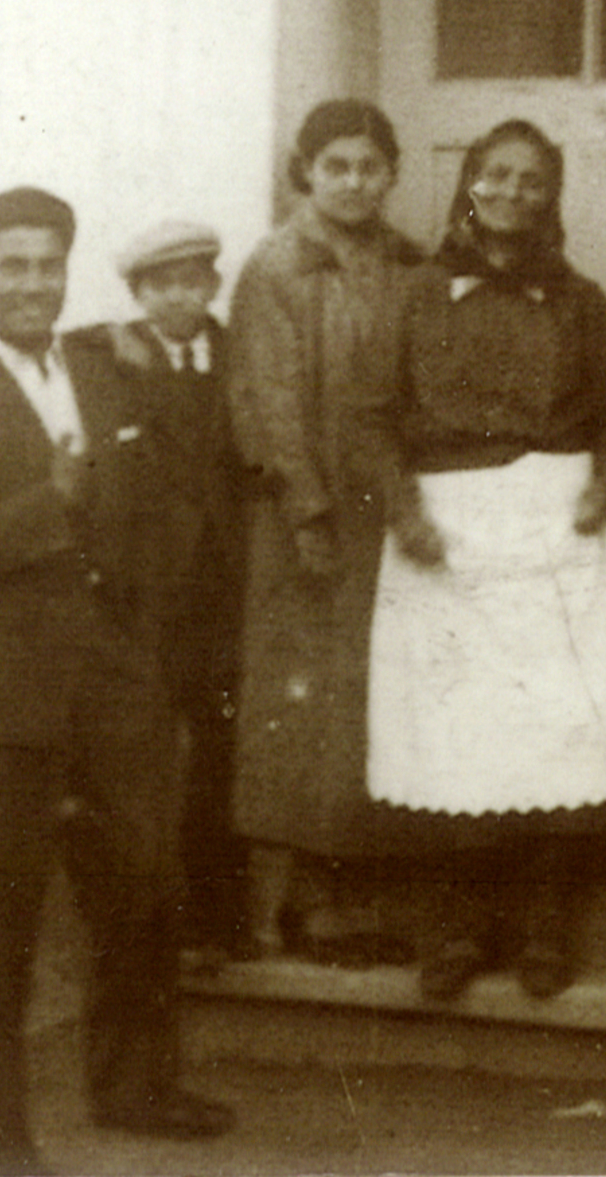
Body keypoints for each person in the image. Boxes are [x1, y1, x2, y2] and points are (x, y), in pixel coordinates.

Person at [0, 186, 232, 1177]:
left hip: (115, 679)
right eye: (14, 265)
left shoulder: (102, 368)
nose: (33, 284)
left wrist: (145, 636)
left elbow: (167, 490)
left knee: (142, 886)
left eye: (49, 265)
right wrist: (54, 501)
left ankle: (135, 1088)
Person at [360, 118, 606, 1001]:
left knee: (556, 724)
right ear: (468, 185)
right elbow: (372, 417)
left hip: (559, 526)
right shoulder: (415, 295)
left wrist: (603, 490)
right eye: (495, 174)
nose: (512, 192)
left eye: (531, 179)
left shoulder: (579, 301)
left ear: (549, 196)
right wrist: (404, 511)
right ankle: (459, 928)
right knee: (458, 726)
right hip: (445, 531)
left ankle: (545, 927)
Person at [226, 99, 422, 958]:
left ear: (391, 174)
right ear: (305, 171)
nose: (352, 182)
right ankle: (282, 907)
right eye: (334, 166)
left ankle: (352, 896)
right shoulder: (276, 267)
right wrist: (305, 509)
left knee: (368, 700)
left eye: (368, 167)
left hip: (386, 514)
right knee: (296, 704)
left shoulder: (409, 263)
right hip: (300, 514)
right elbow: (265, 399)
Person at [67, 219, 245, 966]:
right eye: (160, 285)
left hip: (223, 588)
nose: (178, 298)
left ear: (212, 286)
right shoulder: (107, 355)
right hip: (143, 591)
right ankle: (146, 926)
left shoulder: (236, 353)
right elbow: (65, 348)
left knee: (220, 751)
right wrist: (116, 340)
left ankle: (218, 921)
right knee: (142, 757)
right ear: (138, 295)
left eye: (192, 282)